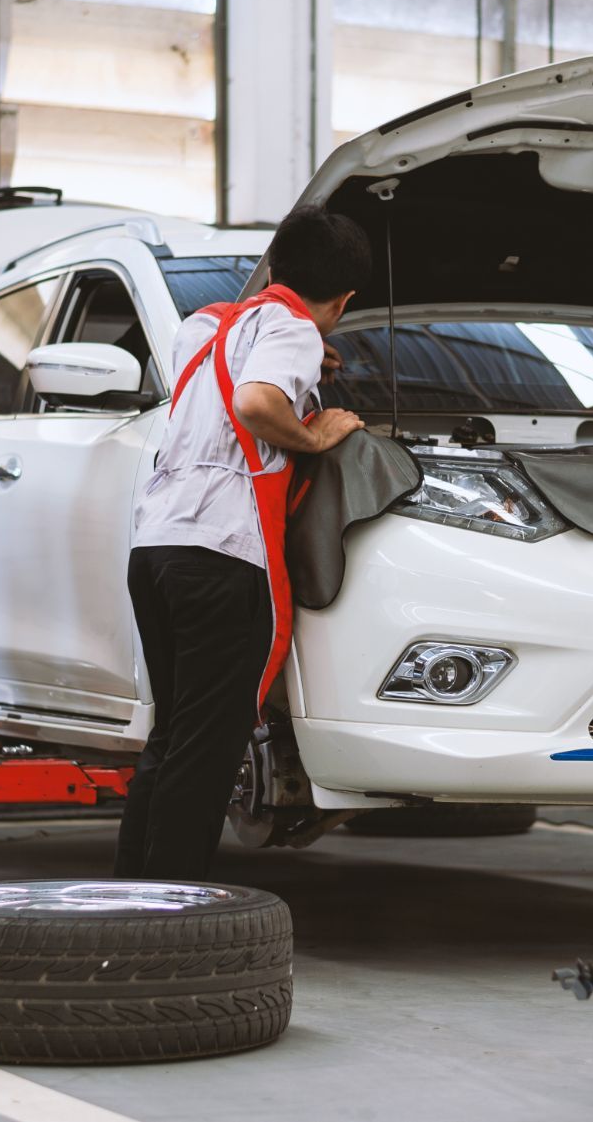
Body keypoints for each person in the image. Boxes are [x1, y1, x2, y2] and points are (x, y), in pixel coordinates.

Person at [115, 205, 372, 879]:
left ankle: (128, 898)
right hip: (220, 553)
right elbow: (257, 402)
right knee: (206, 751)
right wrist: (315, 430)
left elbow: (229, 381)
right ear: (343, 301)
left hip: (156, 547)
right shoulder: (291, 330)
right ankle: (171, 911)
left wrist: (308, 361)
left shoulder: (203, 331)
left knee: (170, 737)